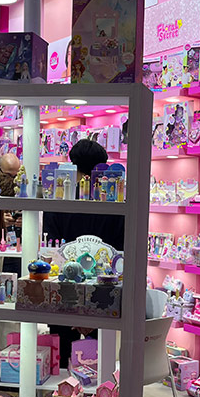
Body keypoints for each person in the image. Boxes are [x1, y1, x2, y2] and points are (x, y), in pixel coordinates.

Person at [43, 140, 125, 366]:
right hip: (104, 288)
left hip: (64, 287)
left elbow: (52, 246)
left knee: (59, 359)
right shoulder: (116, 200)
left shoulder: (58, 196)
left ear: (72, 164)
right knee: (100, 361)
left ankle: (62, 387)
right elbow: (120, 249)